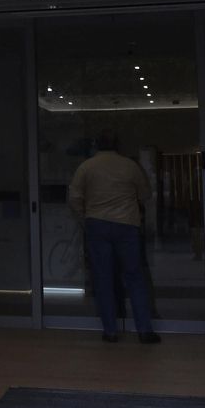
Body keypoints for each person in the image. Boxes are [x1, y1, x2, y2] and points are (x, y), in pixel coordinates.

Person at [69, 132, 159, 343]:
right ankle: (144, 330)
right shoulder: (130, 166)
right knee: (135, 277)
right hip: (127, 224)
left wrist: (84, 219)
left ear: (96, 145)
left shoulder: (86, 167)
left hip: (97, 224)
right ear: (118, 145)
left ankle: (110, 330)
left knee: (103, 278)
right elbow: (145, 194)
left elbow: (74, 198)